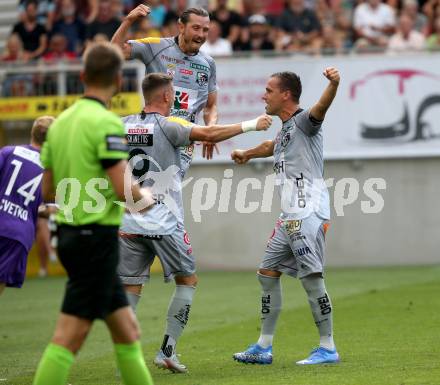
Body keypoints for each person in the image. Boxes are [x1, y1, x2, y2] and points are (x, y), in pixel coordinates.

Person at [118, 72, 271, 373]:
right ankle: (167, 351)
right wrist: (253, 124)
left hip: (129, 220)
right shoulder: (170, 125)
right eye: (172, 92)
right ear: (165, 97)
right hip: (164, 222)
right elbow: (209, 135)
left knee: (130, 290)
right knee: (187, 281)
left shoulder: (122, 124)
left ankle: (127, 358)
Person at [33, 42, 154, 385]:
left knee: (127, 330)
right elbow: (123, 189)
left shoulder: (59, 125)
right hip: (95, 239)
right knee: (69, 335)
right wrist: (145, 196)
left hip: (72, 235)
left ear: (83, 76)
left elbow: (47, 192)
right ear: (118, 80)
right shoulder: (106, 123)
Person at [231, 68, 341, 365]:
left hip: (308, 213)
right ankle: (263, 347)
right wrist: (249, 154)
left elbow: (321, 109)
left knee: (311, 278)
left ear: (285, 95)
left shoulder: (305, 121)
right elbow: (272, 146)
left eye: (268, 90)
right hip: (288, 216)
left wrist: (334, 84)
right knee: (267, 274)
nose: (263, 95)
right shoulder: (286, 129)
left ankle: (328, 347)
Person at [111, 5, 219, 164]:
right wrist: (129, 20)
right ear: (181, 26)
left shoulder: (208, 63)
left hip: (183, 143)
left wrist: (211, 127)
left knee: (170, 185)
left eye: (205, 30)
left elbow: (211, 106)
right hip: (152, 135)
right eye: (196, 28)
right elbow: (114, 51)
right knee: (145, 185)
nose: (201, 35)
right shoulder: (156, 46)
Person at [0, 115, 54, 295]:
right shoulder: (51, 169)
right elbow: (48, 208)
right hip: (17, 234)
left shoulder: (8, 152)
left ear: (32, 133)